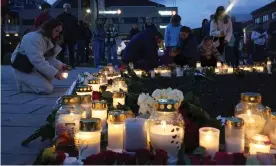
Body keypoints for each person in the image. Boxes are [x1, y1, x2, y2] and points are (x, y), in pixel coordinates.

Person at [11, 19, 69, 94]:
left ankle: (40, 83)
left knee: (58, 64)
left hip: (32, 65)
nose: (58, 34)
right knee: (47, 89)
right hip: (22, 68)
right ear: (50, 28)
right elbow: (37, 60)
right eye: (56, 31)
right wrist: (55, 73)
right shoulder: (33, 38)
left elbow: (48, 58)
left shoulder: (48, 40)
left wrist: (61, 65)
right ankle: (22, 86)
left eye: (59, 32)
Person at [57, 3, 78, 68]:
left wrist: (75, 36)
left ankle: (71, 64)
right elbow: (57, 26)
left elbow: (75, 27)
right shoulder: (60, 17)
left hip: (70, 36)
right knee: (62, 51)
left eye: (69, 8)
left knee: (71, 51)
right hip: (63, 36)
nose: (68, 9)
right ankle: (61, 65)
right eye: (67, 8)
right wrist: (59, 35)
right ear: (64, 8)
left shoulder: (73, 18)